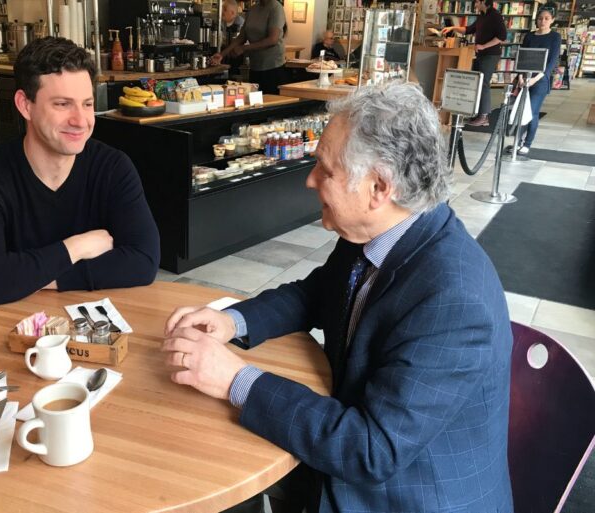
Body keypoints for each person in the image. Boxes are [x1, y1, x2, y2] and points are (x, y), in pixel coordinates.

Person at [162, 82, 514, 513]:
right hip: (355, 447)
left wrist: (235, 379)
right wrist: (233, 321)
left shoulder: (454, 301)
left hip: (404, 496)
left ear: (379, 188)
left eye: (326, 171)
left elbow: (371, 451)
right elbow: (319, 292)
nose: (310, 180)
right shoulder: (382, 229)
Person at [0, 37, 160, 309]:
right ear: (25, 105)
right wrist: (77, 248)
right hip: (11, 328)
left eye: (86, 104)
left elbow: (143, 262)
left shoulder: (112, 167)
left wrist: (30, 276)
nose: (80, 120)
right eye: (62, 104)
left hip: (95, 328)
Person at [442, 0, 507, 126]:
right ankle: (479, 114)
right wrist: (453, 28)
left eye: (476, 2)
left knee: (484, 84)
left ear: (483, 1)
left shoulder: (495, 16)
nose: (475, 5)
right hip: (481, 54)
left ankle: (484, 117)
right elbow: (469, 29)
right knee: (478, 83)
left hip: (490, 55)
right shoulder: (481, 16)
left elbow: (502, 36)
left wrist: (484, 46)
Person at [211, 0, 287, 95]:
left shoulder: (275, 7)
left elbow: (273, 40)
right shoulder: (253, 9)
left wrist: (244, 48)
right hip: (255, 66)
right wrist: (222, 54)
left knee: (270, 104)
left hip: (273, 68)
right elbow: (242, 36)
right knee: (255, 103)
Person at [513, 8, 561, 155]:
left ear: (552, 20)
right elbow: (522, 57)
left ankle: (527, 143)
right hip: (525, 77)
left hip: (540, 80)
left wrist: (535, 78)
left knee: (532, 111)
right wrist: (521, 77)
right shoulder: (529, 36)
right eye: (540, 18)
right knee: (520, 111)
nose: (543, 21)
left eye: (547, 18)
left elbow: (552, 61)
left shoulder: (555, 37)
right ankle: (517, 142)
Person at [221, 0, 245, 76]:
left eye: (224, 9)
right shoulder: (221, 23)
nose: (222, 12)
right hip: (224, 56)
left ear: (233, 13)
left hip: (236, 60)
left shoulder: (240, 23)